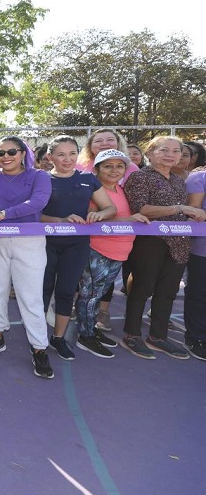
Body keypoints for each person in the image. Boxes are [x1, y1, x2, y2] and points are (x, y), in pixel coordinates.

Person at [0, 136, 55, 379]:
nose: (6, 156)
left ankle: (39, 347)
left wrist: (4, 214)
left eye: (12, 151)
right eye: (1, 153)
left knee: (30, 297)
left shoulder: (39, 176)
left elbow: (38, 202)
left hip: (29, 242)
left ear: (23, 153)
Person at [121, 136, 206, 359]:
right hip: (150, 242)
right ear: (150, 153)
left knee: (167, 292)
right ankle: (132, 335)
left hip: (179, 243)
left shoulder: (179, 181)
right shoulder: (140, 177)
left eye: (176, 151)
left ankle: (158, 337)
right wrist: (179, 208)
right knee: (142, 288)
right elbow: (140, 208)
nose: (171, 155)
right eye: (164, 150)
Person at [39, 135, 116, 360]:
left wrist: (98, 214)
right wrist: (60, 220)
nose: (67, 159)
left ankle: (58, 338)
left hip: (76, 247)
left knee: (66, 292)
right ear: (50, 156)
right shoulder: (41, 179)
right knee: (41, 293)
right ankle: (38, 340)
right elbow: (33, 215)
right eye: (61, 154)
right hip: (44, 245)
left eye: (72, 153)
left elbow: (110, 208)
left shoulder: (88, 178)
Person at [73, 149, 149, 359]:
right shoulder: (90, 190)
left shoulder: (121, 189)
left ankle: (91, 330)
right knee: (89, 296)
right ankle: (85, 336)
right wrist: (130, 220)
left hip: (119, 252)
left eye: (119, 166)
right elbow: (91, 220)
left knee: (97, 296)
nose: (114, 170)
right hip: (97, 251)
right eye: (108, 166)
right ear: (96, 169)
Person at [184, 165, 206, 361]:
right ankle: (196, 338)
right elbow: (195, 211)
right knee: (199, 295)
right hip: (202, 248)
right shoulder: (199, 177)